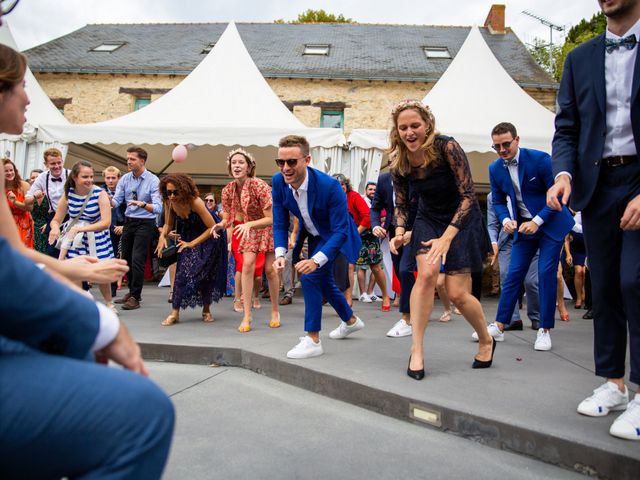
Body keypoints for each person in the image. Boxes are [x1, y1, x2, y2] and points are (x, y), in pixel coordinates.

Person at [0, 42, 174, 479]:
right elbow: (9, 267)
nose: (28, 98)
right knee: (147, 411)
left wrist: (78, 272)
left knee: (74, 349)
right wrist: (101, 322)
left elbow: (13, 258)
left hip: (93, 245)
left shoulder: (110, 192)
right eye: (22, 86)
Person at [548, 0, 640, 440]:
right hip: (598, 186)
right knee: (602, 287)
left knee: (634, 282)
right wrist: (563, 173)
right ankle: (613, 383)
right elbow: (566, 127)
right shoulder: (579, 58)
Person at [387, 100, 494, 380]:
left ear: (427, 125)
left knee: (457, 293)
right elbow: (401, 204)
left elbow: (469, 196)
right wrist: (399, 233)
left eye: (415, 126)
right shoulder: (398, 160)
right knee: (426, 276)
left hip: (461, 218)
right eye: (403, 128)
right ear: (397, 131)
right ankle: (417, 349)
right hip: (427, 218)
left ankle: (486, 339)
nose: (409, 132)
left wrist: (447, 238)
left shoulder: (447, 147)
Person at [272, 135, 365, 359]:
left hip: (337, 235)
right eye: (280, 162)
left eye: (292, 162)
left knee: (310, 277)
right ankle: (350, 320)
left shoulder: (330, 186)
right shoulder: (278, 182)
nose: (285, 168)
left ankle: (313, 339)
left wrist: (315, 260)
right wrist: (280, 253)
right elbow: (280, 220)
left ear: (307, 159)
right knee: (324, 282)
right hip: (313, 234)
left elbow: (341, 230)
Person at [483, 122, 574, 351]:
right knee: (513, 275)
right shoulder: (495, 168)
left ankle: (544, 330)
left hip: (551, 223)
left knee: (545, 273)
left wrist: (537, 221)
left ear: (517, 140)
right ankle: (500, 325)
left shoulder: (540, 159)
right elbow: (497, 201)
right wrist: (505, 221)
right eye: (497, 146)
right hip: (523, 227)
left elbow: (556, 197)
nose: (502, 150)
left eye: (506, 144)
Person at [212, 148, 280, 331]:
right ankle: (247, 316)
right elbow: (227, 217)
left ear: (249, 167)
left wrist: (249, 225)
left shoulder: (259, 185)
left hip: (267, 228)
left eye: (241, 162)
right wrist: (221, 224)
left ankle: (275, 311)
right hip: (249, 228)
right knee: (247, 265)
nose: (237, 166)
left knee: (269, 270)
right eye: (233, 163)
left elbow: (270, 218)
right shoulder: (228, 190)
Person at [157, 174, 227, 325]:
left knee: (207, 274)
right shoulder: (169, 202)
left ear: (184, 190)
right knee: (181, 272)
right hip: (188, 236)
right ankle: (175, 312)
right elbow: (168, 224)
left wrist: (192, 244)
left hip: (210, 237)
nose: (172, 196)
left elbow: (211, 228)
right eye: (168, 192)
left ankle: (206, 310)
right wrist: (162, 236)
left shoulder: (195, 202)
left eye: (175, 192)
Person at [48, 160, 117, 313]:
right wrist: (54, 229)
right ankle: (81, 303)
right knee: (76, 271)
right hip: (75, 240)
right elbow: (56, 219)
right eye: (85, 177)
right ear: (75, 177)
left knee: (100, 273)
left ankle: (109, 303)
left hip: (97, 238)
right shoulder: (68, 194)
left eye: (91, 177)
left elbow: (106, 222)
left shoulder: (100, 193)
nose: (90, 180)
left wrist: (81, 230)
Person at [112, 146, 163, 310]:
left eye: (132, 159)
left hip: (145, 222)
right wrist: (105, 199)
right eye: (128, 158)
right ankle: (131, 292)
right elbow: (116, 201)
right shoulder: (125, 179)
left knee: (137, 259)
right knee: (125, 258)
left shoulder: (153, 180)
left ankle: (136, 296)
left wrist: (142, 204)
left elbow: (158, 207)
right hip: (129, 221)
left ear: (142, 161)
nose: (128, 162)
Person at [334, 173, 392, 311]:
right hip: (348, 235)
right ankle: (347, 301)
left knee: (375, 267)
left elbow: (367, 217)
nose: (340, 187)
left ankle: (385, 296)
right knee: (348, 266)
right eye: (337, 185)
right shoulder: (333, 199)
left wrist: (355, 233)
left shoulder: (354, 197)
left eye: (342, 184)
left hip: (366, 233)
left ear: (346, 185)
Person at [371, 171, 417, 338]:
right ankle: (415, 307)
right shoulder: (384, 179)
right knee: (399, 270)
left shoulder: (417, 174)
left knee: (406, 270)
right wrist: (376, 225)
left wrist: (412, 232)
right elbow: (375, 207)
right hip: (393, 230)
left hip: (417, 229)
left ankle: (407, 318)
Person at [486, 191, 540, 330]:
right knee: (506, 277)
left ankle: (536, 316)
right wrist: (494, 243)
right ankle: (513, 319)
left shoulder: (529, 188)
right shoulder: (493, 196)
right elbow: (492, 224)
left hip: (531, 239)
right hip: (508, 242)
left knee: (531, 281)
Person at [24, 147, 69, 257]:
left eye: (59, 162)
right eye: (53, 163)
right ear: (46, 164)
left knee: (70, 252)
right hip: (54, 217)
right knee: (52, 253)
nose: (57, 166)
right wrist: (34, 196)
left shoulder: (71, 174)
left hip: (72, 217)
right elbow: (27, 200)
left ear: (62, 161)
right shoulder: (43, 177)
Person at [103, 166, 125, 297]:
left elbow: (131, 210)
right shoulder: (99, 192)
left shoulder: (124, 191)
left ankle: (133, 293)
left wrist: (125, 226)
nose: (111, 180)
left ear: (119, 178)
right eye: (108, 178)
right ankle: (111, 288)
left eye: (113, 178)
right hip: (107, 228)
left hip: (125, 226)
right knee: (110, 258)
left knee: (126, 258)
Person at [4, 158, 33, 248]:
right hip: (5, 224)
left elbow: (30, 208)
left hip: (23, 224)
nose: (9, 173)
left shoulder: (24, 185)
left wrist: (15, 202)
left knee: (20, 252)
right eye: (6, 171)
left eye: (11, 170)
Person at [28, 168, 49, 253]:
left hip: (46, 228)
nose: (35, 180)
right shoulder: (28, 195)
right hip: (30, 228)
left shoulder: (49, 193)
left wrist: (49, 224)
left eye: (38, 177)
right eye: (33, 177)